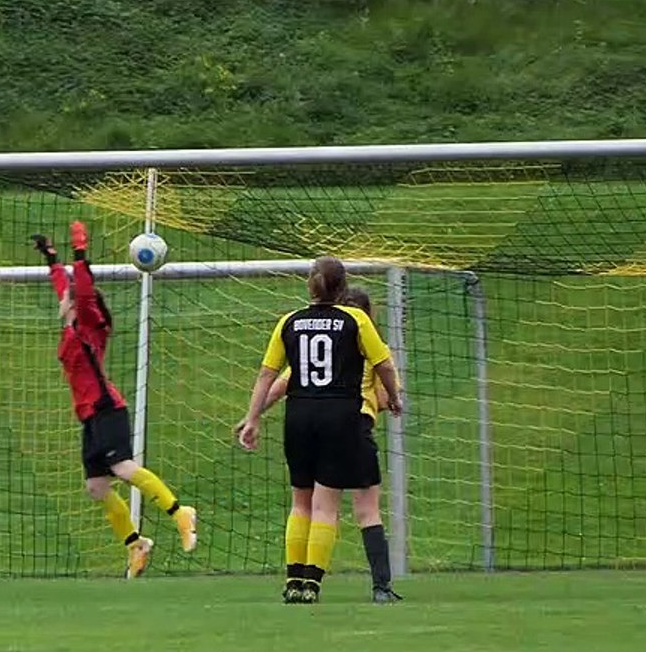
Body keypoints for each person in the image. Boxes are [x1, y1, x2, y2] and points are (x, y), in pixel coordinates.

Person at [32, 222, 197, 579]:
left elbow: (82, 290)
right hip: (89, 417)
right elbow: (65, 286)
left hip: (107, 409)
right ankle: (136, 545)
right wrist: (51, 259)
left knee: (122, 468)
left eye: (66, 297)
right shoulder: (71, 323)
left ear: (76, 304)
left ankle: (180, 513)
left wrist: (80, 253)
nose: (60, 299)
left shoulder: (88, 325)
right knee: (96, 487)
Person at [238, 257, 402, 604]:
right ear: (342, 287)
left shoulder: (289, 321)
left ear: (310, 286)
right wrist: (396, 396)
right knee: (327, 505)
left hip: (299, 415)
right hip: (341, 416)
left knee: (300, 501)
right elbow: (384, 365)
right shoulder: (356, 321)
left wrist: (253, 418)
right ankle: (313, 584)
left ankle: (292, 581)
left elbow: (268, 375)